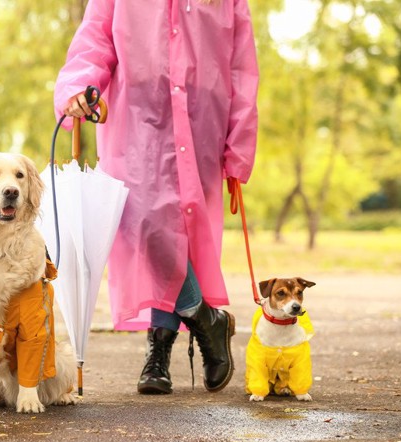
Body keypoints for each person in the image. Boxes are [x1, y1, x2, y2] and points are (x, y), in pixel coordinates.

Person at [53, 0, 259, 394]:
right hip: (136, 114)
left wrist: (240, 142)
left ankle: (159, 354)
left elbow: (241, 68)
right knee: (138, 219)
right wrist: (78, 85)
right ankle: (203, 318)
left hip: (202, 116)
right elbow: (95, 38)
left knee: (179, 229)